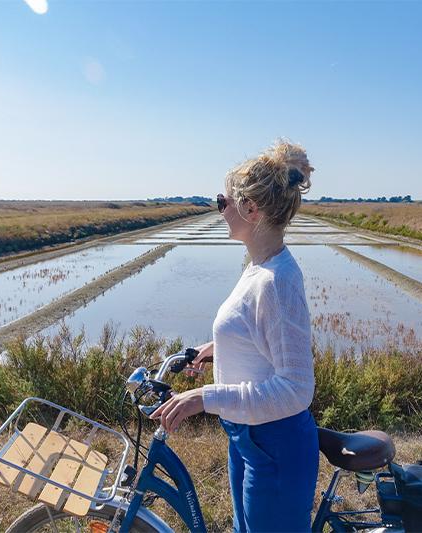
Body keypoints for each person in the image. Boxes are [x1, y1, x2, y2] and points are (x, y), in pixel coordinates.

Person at [151, 139, 318, 532]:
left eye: (222, 202)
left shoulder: (277, 281)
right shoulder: (257, 268)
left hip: (273, 447)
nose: (221, 211)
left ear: (250, 208)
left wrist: (204, 398)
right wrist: (217, 350)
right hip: (247, 436)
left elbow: (296, 388)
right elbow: (255, 334)